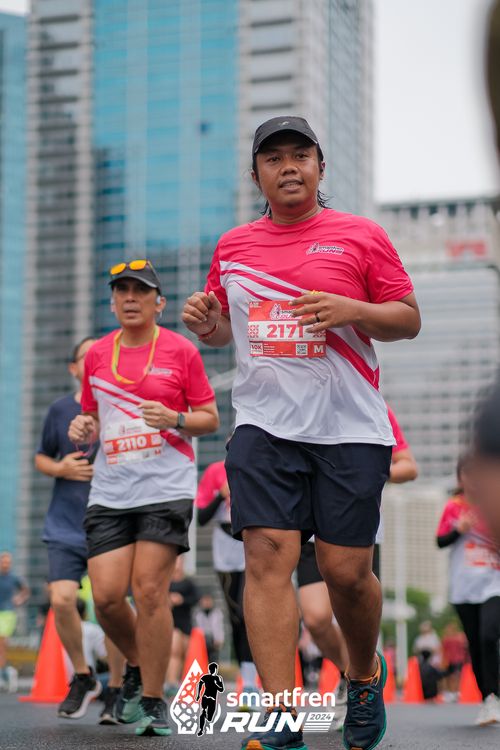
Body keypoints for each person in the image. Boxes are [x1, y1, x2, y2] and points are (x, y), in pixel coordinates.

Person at [182, 116, 420, 750]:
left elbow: (407, 318)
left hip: (348, 426)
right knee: (265, 559)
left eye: (300, 155)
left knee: (345, 573)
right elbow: (226, 329)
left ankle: (363, 676)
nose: (288, 166)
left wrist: (354, 310)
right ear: (256, 174)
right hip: (264, 424)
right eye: (273, 158)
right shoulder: (233, 246)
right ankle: (282, 712)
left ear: (319, 167)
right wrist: (206, 325)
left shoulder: (360, 235)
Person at [68, 259, 219, 736]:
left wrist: (175, 418)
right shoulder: (98, 355)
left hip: (165, 487)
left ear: (160, 303)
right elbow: (93, 418)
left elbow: (210, 417)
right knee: (107, 597)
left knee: (150, 591)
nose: (130, 298)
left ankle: (152, 699)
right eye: (122, 291)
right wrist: (83, 427)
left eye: (140, 290)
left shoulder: (181, 350)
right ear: (113, 302)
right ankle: (138, 663)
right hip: (111, 489)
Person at [296, 405, 418, 730]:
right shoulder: (297, 398)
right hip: (309, 529)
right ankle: (354, 674)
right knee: (315, 618)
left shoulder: (370, 404)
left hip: (357, 526)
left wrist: (364, 467)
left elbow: (408, 466)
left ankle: (360, 682)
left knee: (353, 610)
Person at [35, 337, 124, 723]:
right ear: (73, 368)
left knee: (110, 606)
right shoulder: (59, 410)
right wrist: (61, 468)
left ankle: (117, 686)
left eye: (99, 355)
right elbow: (41, 457)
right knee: (62, 599)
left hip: (110, 519)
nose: (93, 361)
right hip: (65, 523)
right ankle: (84, 676)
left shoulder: (119, 404)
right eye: (85, 357)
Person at [436, 453, 500, 725]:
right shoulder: (454, 507)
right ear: (460, 478)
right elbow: (440, 541)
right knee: (475, 643)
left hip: (493, 582)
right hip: (464, 586)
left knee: (488, 635)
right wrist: (458, 529)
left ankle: (494, 695)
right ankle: (488, 699)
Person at [195, 459, 258, 694]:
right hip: (224, 548)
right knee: (236, 616)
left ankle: (253, 679)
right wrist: (222, 495)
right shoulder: (214, 471)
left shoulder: (256, 465)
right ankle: (247, 679)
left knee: (249, 612)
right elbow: (201, 517)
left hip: (252, 542)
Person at [164, 556, 200, 696]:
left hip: (185, 621)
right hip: (171, 621)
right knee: (174, 651)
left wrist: (182, 600)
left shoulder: (188, 583)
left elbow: (196, 599)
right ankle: (171, 682)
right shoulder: (166, 581)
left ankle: (177, 681)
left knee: (184, 653)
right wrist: (169, 600)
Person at [0, 552, 29, 692]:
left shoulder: (14, 578)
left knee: (1, 644)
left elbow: (25, 591)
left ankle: (2, 675)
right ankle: (6, 672)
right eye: (3, 562)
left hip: (7, 614)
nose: (6, 564)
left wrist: (19, 599)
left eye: (8, 562)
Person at [194, 593, 225, 666]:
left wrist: (219, 639)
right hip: (202, 640)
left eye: (208, 600)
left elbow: (219, 627)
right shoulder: (198, 614)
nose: (206, 603)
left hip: (213, 640)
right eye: (205, 600)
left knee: (213, 660)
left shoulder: (217, 613)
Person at [195, 661, 224, 736]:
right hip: (206, 697)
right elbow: (200, 684)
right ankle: (201, 729)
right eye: (211, 669)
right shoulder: (205, 677)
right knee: (203, 711)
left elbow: (221, 689)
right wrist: (198, 694)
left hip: (212, 699)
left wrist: (216, 684)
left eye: (213, 669)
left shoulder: (218, 678)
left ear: (215, 670)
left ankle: (206, 716)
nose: (212, 670)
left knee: (210, 718)